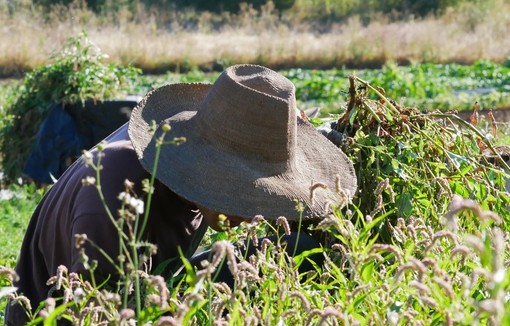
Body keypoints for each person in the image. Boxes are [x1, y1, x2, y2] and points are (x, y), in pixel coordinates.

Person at [5, 64, 357, 325]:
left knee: (299, 248)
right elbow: (82, 312)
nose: (253, 213)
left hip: (156, 287)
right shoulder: (115, 199)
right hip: (80, 311)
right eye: (245, 191)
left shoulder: (185, 163)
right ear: (209, 168)